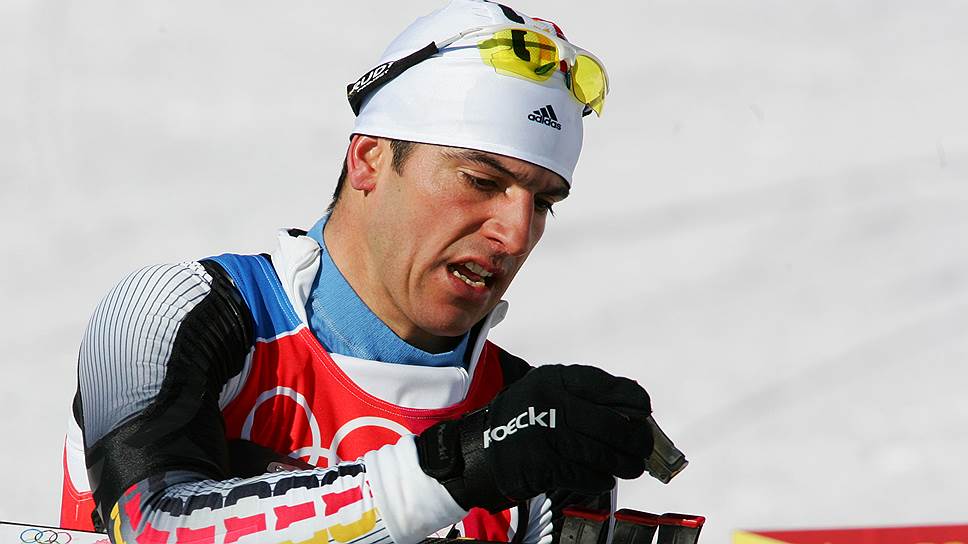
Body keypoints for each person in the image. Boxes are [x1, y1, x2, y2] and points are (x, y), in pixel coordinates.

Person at [61, 1, 655, 543]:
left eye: (543, 202)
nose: (517, 233)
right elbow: (150, 526)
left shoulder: (535, 424)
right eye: (481, 181)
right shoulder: (177, 311)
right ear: (369, 159)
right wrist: (463, 466)